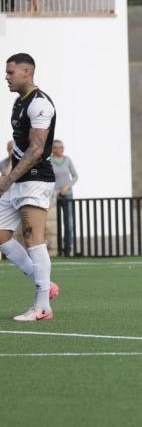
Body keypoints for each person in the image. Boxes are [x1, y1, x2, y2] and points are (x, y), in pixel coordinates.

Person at [1, 53, 60, 321]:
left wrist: (8, 179)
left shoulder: (40, 104)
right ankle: (45, 283)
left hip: (35, 179)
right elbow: (19, 147)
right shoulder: (18, 103)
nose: (6, 77)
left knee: (33, 239)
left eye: (10, 72)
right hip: (17, 180)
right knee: (1, 235)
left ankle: (42, 306)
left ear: (27, 72)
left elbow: (36, 150)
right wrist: (8, 177)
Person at [51, 139, 78, 256]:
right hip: (54, 195)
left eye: (61, 147)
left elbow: (75, 176)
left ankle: (68, 247)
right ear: (52, 149)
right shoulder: (49, 161)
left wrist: (67, 186)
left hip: (67, 194)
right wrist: (55, 190)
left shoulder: (67, 160)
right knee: (55, 222)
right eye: (57, 147)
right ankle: (56, 248)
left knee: (68, 221)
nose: (60, 149)